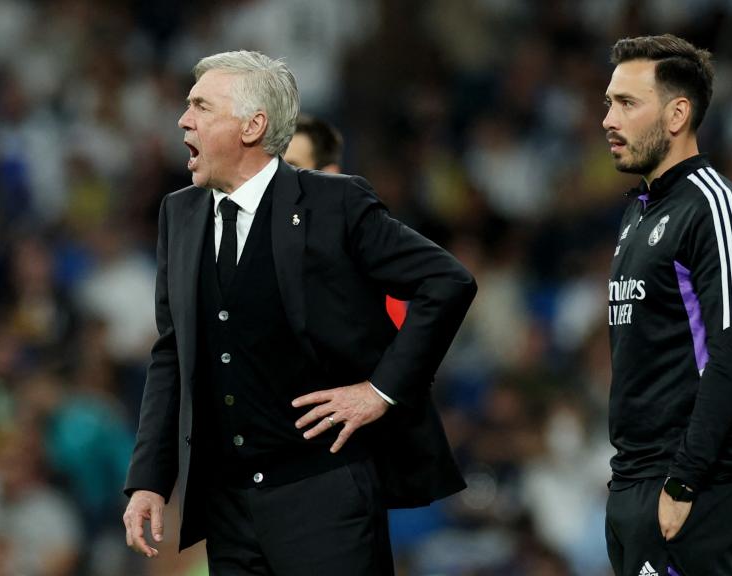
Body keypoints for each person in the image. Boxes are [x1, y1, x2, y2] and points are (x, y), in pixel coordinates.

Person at [121, 50, 476, 575]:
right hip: (228, 505)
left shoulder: (334, 204)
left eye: (200, 106)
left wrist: (380, 390)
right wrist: (149, 479)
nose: (183, 119)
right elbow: (174, 352)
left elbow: (447, 281)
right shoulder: (181, 213)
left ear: (252, 125)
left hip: (324, 494)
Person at [601, 35, 732, 576]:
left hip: (690, 486)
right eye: (608, 102)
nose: (608, 118)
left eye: (626, 103)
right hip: (633, 479)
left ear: (678, 114)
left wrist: (684, 480)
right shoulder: (639, 214)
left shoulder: (716, 211)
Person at [283, 115, 409, 329]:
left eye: (291, 167)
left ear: (328, 175)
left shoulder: (364, 247)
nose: (278, 179)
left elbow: (395, 336)